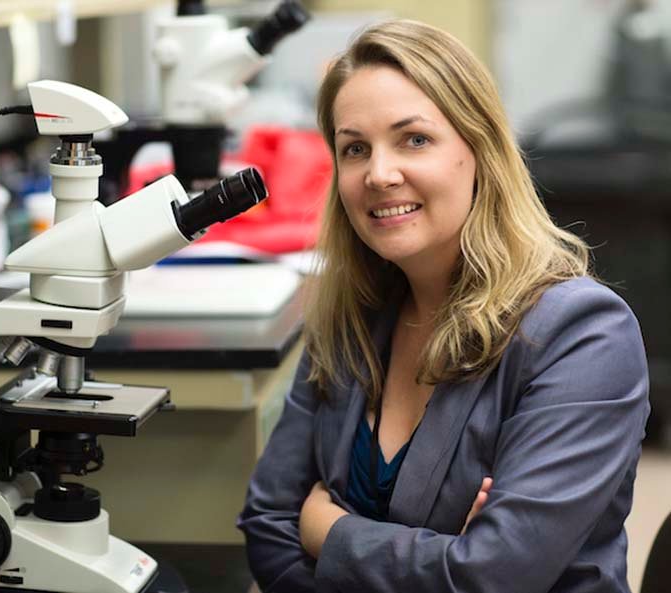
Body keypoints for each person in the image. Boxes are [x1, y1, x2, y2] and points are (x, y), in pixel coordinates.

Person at [237, 18, 650, 593]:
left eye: (415, 139)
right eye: (355, 148)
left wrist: (328, 532)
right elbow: (267, 525)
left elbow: (490, 576)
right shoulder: (349, 317)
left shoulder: (582, 335)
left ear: (479, 150)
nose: (379, 174)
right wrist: (439, 559)